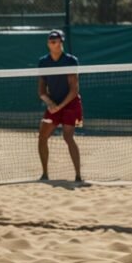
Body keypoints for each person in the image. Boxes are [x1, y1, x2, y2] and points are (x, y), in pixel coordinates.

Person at [37, 29, 82, 182]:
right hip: (54, 104)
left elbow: (74, 89)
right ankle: (45, 174)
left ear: (62, 42)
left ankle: (78, 175)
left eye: (56, 40)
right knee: (42, 137)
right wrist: (50, 104)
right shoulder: (43, 62)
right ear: (48, 43)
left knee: (68, 137)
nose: (53, 42)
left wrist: (60, 106)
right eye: (51, 40)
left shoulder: (70, 60)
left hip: (70, 103)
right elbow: (42, 90)